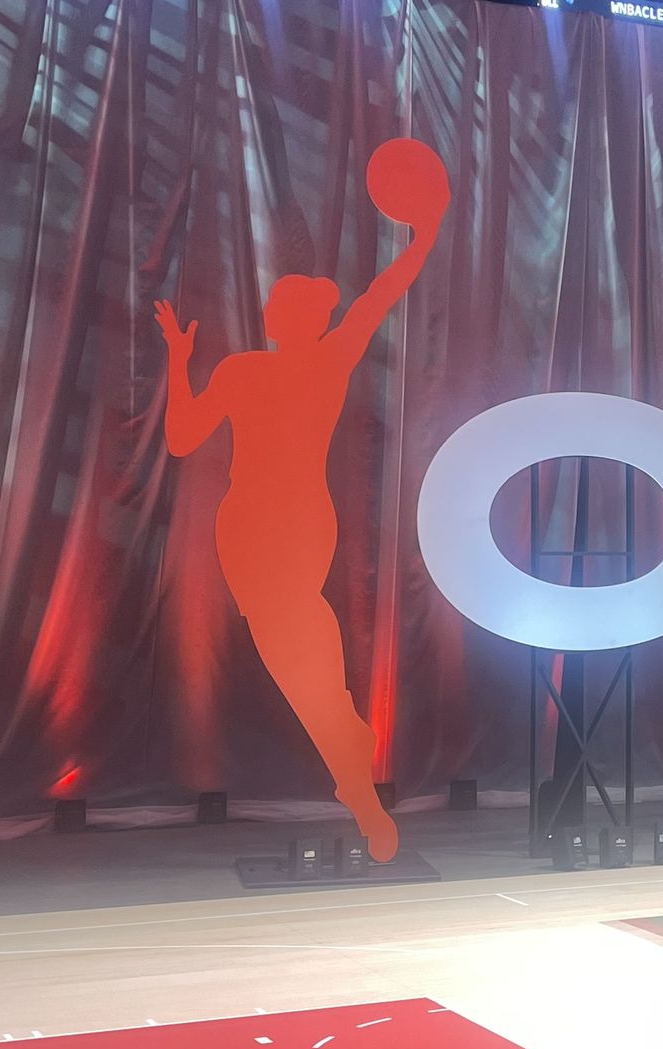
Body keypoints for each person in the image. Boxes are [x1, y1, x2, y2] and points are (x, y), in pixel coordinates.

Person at [153, 141, 448, 861]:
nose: (279, 310)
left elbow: (380, 297)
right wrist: (176, 361)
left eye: (288, 303)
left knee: (300, 666)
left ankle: (354, 773)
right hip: (262, 529)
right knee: (303, 661)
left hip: (280, 527)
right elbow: (186, 438)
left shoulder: (292, 363)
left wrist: (425, 241)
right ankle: (350, 752)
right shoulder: (276, 365)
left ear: (298, 318)